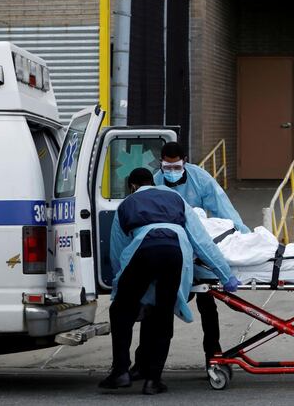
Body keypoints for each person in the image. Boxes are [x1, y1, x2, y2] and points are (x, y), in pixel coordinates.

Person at [99, 168, 239, 395]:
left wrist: (121, 287)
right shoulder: (175, 198)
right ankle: (153, 381)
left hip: (143, 249)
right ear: (153, 182)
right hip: (175, 252)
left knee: (120, 311)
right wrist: (225, 275)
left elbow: (117, 251)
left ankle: (121, 371)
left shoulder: (127, 204)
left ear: (132, 186)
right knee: (163, 315)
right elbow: (201, 242)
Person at [149, 141, 250, 368]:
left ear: (185, 161)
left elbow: (223, 210)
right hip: (173, 249)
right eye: (168, 167)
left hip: (200, 247)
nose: (172, 172)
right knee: (164, 307)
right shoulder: (156, 181)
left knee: (207, 305)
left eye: (177, 167)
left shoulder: (200, 179)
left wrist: (246, 237)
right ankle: (151, 364)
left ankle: (212, 355)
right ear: (161, 164)